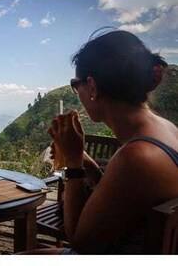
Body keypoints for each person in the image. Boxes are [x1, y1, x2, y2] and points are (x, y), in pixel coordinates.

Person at [28, 29, 178, 255]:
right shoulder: (167, 130)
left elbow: (81, 243)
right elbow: (124, 198)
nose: (77, 92)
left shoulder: (137, 156)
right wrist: (89, 165)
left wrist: (73, 164)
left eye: (75, 84)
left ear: (93, 87)